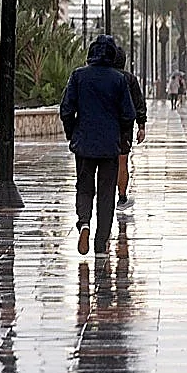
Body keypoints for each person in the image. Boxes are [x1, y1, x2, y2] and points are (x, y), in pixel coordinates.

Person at [60, 34, 136, 255]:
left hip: (84, 143)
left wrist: (72, 133)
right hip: (109, 146)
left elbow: (66, 109)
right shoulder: (118, 79)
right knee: (106, 193)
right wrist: (122, 138)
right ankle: (100, 241)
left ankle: (84, 222)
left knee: (84, 187)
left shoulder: (79, 76)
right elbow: (128, 114)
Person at [113, 46, 147, 211]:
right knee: (122, 161)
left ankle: (105, 195)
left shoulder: (106, 77)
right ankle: (122, 197)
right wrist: (141, 126)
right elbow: (139, 103)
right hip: (124, 127)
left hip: (106, 126)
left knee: (105, 162)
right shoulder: (129, 79)